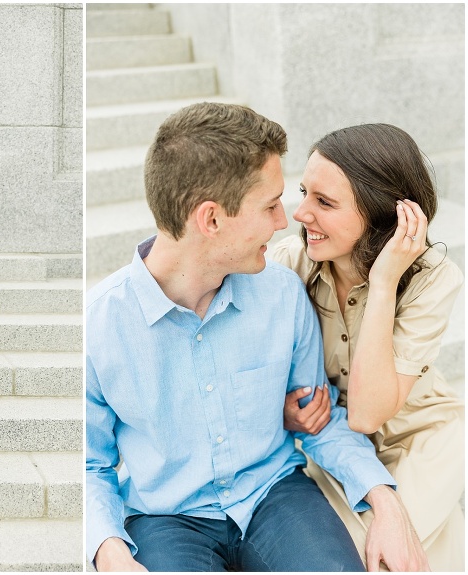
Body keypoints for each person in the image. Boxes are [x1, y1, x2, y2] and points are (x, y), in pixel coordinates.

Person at [86, 102, 430, 572]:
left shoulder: (281, 293)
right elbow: (89, 466)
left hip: (276, 495)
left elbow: (321, 418)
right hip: (166, 517)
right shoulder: (100, 324)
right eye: (270, 206)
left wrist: (385, 503)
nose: (283, 222)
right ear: (210, 220)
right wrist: (110, 552)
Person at [274, 123, 464, 571]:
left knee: (393, 560)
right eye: (304, 193)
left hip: (420, 436)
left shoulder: (434, 278)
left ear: (381, 214)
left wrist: (383, 284)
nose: (300, 213)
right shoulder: (289, 264)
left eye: (325, 202)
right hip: (333, 440)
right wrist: (281, 410)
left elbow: (367, 413)